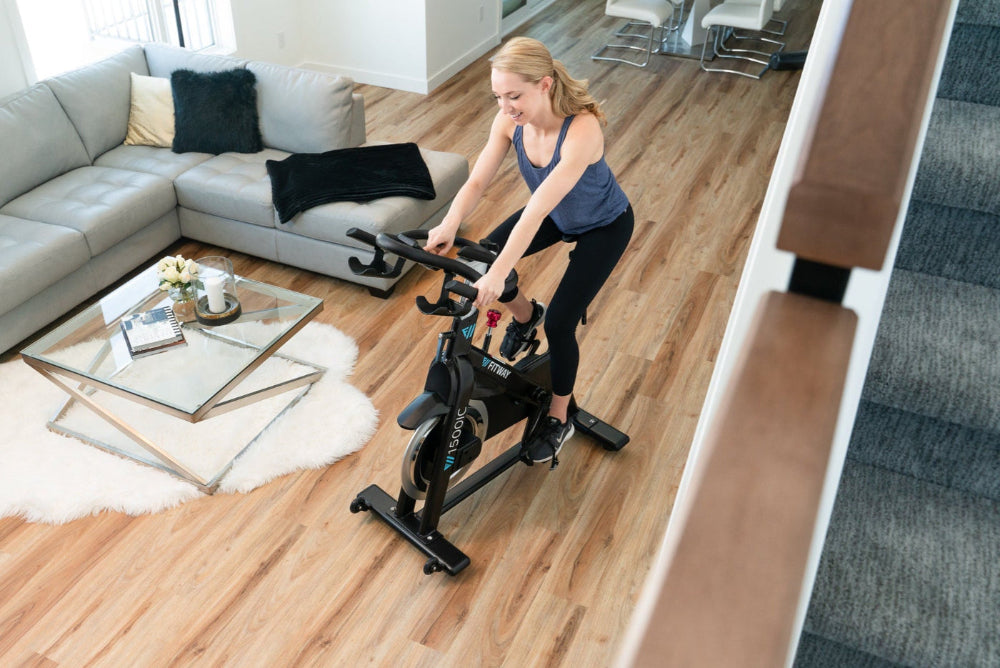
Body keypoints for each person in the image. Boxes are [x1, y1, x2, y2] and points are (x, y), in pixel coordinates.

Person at [424, 36, 634, 466]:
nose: (506, 106)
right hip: (558, 216)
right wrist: (449, 223)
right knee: (482, 257)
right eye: (499, 96)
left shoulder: (581, 130)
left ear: (544, 84)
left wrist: (499, 274)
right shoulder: (509, 122)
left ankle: (559, 417)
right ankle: (524, 313)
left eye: (514, 95)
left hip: (604, 226)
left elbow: (537, 210)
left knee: (560, 324)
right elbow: (478, 181)